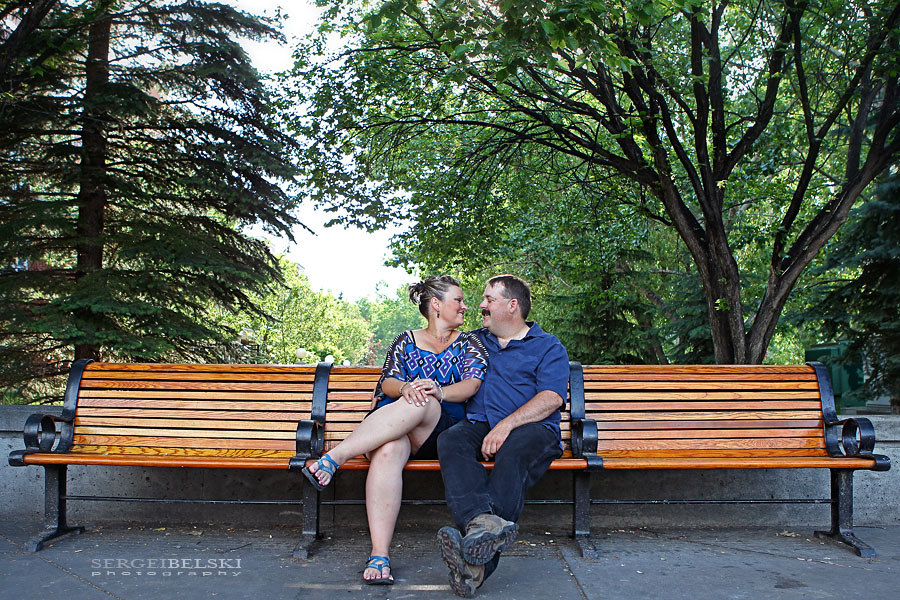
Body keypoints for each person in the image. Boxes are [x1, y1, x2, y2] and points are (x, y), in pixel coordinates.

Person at [301, 275, 488, 585]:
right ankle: (379, 554)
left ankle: (335, 457)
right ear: (436, 305)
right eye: (459, 300)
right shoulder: (405, 340)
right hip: (390, 428)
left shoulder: (470, 343)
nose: (465, 306)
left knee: (425, 400)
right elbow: (387, 381)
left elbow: (472, 385)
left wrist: (437, 391)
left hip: (438, 431)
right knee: (388, 449)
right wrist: (405, 388)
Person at [436, 275, 569, 597]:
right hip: (481, 424)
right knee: (451, 440)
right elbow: (429, 352)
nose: (481, 305)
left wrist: (506, 426)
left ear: (512, 306)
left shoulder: (547, 346)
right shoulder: (473, 342)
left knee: (512, 453)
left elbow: (551, 397)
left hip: (533, 430)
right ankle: (481, 525)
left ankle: (476, 565)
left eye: (488, 299)